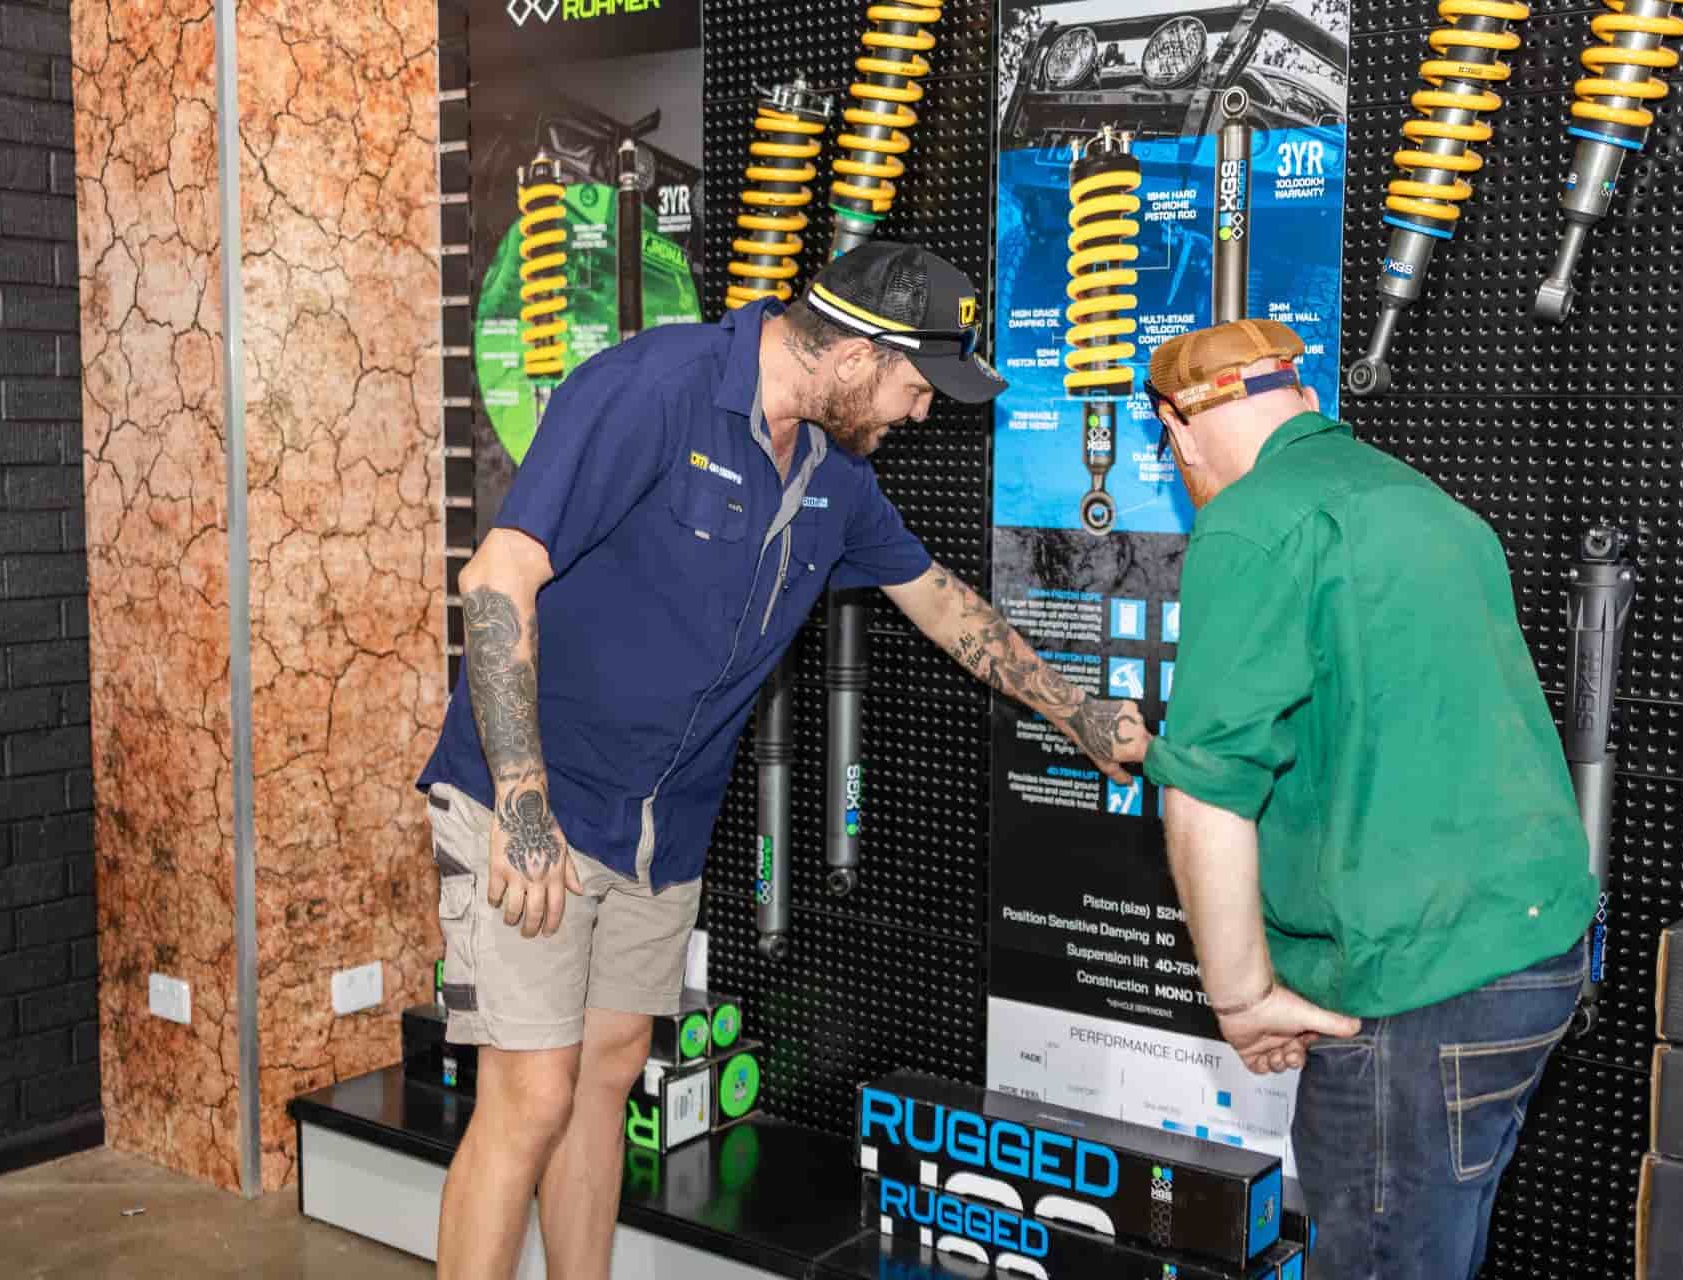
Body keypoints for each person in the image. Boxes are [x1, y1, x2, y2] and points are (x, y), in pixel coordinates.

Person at [417, 241, 1149, 1280]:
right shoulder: (653, 388)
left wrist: (1078, 712)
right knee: (529, 1094)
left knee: (608, 1073)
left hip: (661, 825)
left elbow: (943, 602)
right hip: (536, 792)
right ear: (856, 353)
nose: (921, 411)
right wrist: (525, 806)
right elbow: (497, 579)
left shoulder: (831, 472)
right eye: (915, 384)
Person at [1139, 318, 1597, 1279]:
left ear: (1178, 431)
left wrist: (1245, 995)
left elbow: (1210, 791)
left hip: (1416, 992)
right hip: (1532, 954)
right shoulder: (1431, 505)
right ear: (1304, 402)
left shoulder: (1255, 520)